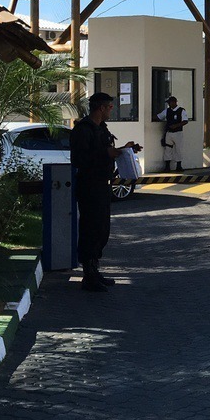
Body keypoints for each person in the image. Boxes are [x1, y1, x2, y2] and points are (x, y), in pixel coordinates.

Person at [70, 92, 139, 292]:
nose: (111, 110)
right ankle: (88, 275)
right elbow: (80, 159)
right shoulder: (83, 130)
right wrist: (105, 153)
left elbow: (105, 152)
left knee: (102, 229)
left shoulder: (101, 128)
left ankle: (95, 270)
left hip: (102, 183)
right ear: (101, 108)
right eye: (109, 107)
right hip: (89, 184)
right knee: (91, 228)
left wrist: (123, 150)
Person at [156, 95, 189, 172]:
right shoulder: (167, 111)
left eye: (170, 102)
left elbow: (185, 121)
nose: (169, 104)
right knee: (168, 148)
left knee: (178, 149)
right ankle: (167, 166)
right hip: (169, 133)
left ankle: (179, 166)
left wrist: (176, 126)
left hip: (178, 133)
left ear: (174, 102)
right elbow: (159, 116)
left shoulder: (181, 110)